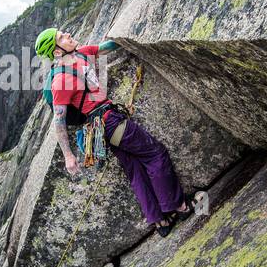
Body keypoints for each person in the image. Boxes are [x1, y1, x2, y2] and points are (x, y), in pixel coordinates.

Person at [35, 27, 193, 236]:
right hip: (109, 122)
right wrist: (68, 155)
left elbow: (107, 47)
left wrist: (129, 33)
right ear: (56, 52)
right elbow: (59, 120)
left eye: (64, 32)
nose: (68, 35)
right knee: (155, 154)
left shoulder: (82, 53)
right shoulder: (60, 81)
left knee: (135, 170)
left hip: (101, 129)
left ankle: (159, 221)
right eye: (61, 37)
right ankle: (178, 206)